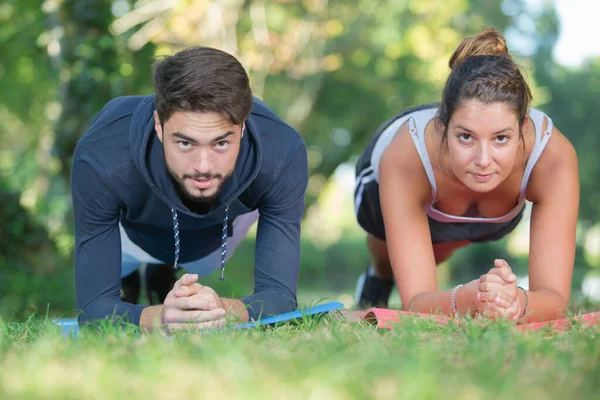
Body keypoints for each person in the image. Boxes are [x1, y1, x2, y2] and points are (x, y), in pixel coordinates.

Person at [72, 46, 308, 331]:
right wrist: (162, 316)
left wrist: (222, 309)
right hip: (133, 235)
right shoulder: (102, 156)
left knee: (205, 263)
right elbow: (92, 310)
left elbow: (280, 296)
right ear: (159, 125)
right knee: (123, 264)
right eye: (185, 143)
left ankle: (165, 272)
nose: (203, 166)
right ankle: (137, 276)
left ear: (243, 128)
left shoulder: (282, 154)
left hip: (213, 235)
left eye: (221, 143)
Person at [353, 27, 579, 323]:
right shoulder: (405, 156)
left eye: (501, 138)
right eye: (466, 137)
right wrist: (467, 299)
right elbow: (417, 302)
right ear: (442, 127)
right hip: (384, 182)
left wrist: (516, 303)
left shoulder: (553, 158)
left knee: (441, 249)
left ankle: (439, 242)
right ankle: (378, 275)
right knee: (393, 258)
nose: (483, 161)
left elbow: (555, 300)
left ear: (524, 128)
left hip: (483, 219)